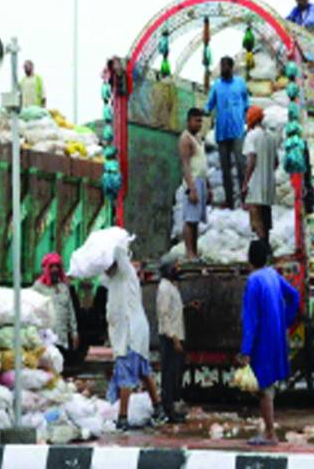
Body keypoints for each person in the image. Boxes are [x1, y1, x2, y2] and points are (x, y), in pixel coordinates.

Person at [237, 240, 300, 446]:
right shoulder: (273, 275)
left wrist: (246, 350)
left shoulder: (254, 281)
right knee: (268, 388)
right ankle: (269, 429)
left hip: (261, 341)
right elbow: (295, 296)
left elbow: (250, 318)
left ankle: (270, 432)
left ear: (249, 259)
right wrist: (286, 321)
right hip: (276, 338)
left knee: (263, 389)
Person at [103, 249, 166, 431]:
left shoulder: (126, 272)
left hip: (130, 333)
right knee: (143, 371)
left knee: (126, 376)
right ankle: (158, 408)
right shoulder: (114, 279)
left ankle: (122, 418)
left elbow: (119, 258)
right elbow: (103, 278)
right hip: (130, 333)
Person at [205, 56, 249, 209]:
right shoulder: (216, 86)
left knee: (241, 164)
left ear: (231, 67)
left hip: (237, 131)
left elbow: (246, 103)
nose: (223, 69)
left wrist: (243, 119)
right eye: (221, 66)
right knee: (225, 169)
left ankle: (245, 199)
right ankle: (229, 201)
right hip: (222, 133)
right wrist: (202, 112)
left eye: (225, 66)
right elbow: (209, 104)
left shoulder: (240, 84)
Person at [156, 261, 197, 423]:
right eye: (175, 268)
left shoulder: (171, 287)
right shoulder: (164, 288)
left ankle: (173, 407)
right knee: (169, 374)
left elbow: (174, 311)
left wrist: (187, 307)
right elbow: (164, 315)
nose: (178, 270)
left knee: (175, 374)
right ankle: (168, 410)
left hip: (175, 336)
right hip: (170, 338)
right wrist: (174, 339)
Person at [242, 106, 279, 244]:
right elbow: (276, 163)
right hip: (269, 184)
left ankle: (262, 248)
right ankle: (267, 248)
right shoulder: (271, 137)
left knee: (256, 218)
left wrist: (245, 183)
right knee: (266, 216)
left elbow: (251, 160)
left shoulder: (251, 136)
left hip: (255, 184)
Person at [33, 252, 79, 362]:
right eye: (51, 266)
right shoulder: (38, 287)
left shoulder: (64, 287)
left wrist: (74, 333)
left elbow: (70, 311)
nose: (55, 270)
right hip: (45, 338)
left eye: (57, 266)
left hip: (61, 338)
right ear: (46, 268)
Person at [178, 108, 210, 260]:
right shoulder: (185, 139)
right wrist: (191, 188)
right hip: (192, 181)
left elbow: (202, 162)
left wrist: (207, 185)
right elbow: (185, 165)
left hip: (201, 180)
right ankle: (189, 253)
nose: (199, 124)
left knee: (196, 220)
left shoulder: (198, 137)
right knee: (190, 220)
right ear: (189, 121)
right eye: (196, 121)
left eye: (201, 121)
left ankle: (194, 253)